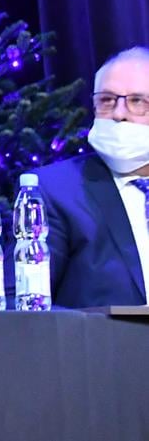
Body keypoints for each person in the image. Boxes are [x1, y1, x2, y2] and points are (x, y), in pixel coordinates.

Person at [35, 46, 149, 307]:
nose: (119, 114)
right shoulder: (55, 190)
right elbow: (23, 306)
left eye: (137, 101)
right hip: (102, 334)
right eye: (107, 100)